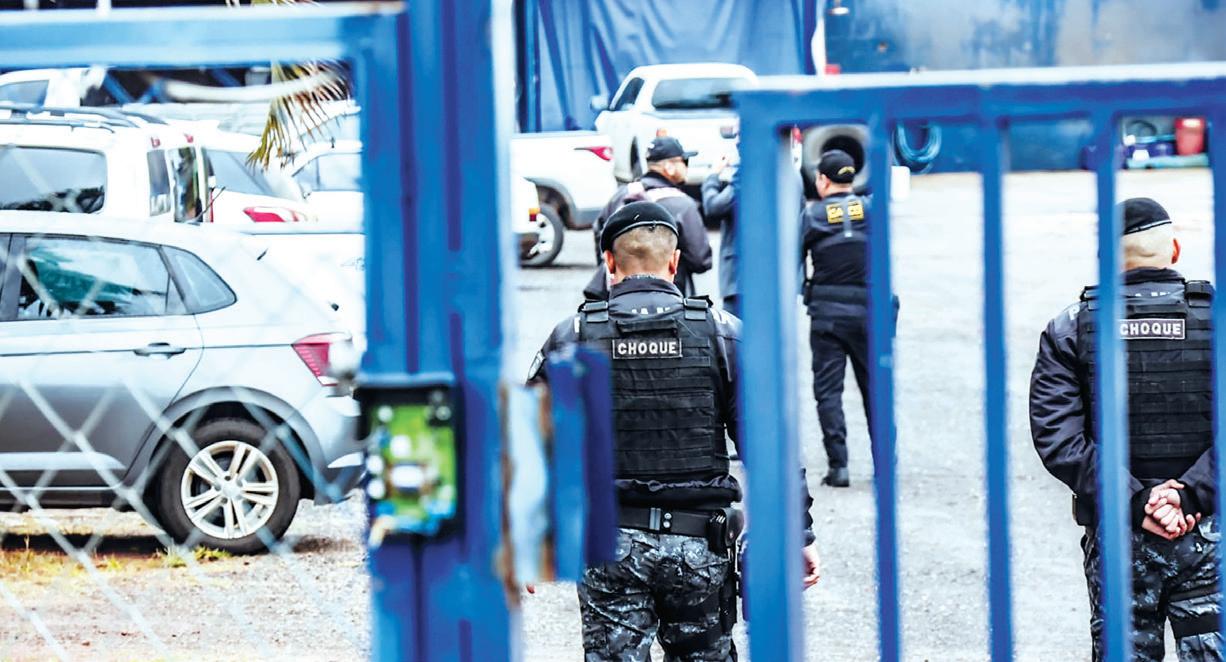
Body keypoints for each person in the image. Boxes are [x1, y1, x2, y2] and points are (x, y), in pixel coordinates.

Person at [531, 201, 821, 661]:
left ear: (608, 262)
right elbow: (771, 450)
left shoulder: (573, 336)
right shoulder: (723, 334)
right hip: (699, 545)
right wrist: (797, 533)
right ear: (675, 262)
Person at [1029, 197, 1221, 661]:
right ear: (1175, 249)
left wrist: (1136, 501)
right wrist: (1190, 496)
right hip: (1210, 532)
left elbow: (1059, 437)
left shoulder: (1071, 328)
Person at [799, 149, 887, 488]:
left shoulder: (812, 216)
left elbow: (794, 262)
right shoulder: (872, 209)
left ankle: (839, 467)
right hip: (870, 314)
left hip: (827, 317)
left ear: (823, 180)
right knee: (876, 389)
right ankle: (883, 466)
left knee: (829, 392)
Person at [585, 136, 712, 300]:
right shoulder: (683, 205)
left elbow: (599, 231)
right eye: (684, 161)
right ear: (669, 167)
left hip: (617, 296)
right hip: (668, 299)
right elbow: (701, 260)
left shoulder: (622, 194)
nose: (687, 167)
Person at [702, 156, 740, 316]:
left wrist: (713, 176)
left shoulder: (748, 174)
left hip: (740, 279)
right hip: (772, 274)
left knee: (734, 326)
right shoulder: (787, 173)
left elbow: (714, 205)